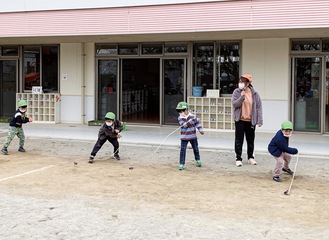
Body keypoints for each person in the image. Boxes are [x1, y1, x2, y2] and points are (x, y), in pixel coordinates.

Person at [232, 74, 263, 167]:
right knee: (239, 140)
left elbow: (258, 107)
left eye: (243, 82)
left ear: (248, 83)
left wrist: (260, 120)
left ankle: (251, 157)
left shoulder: (255, 94)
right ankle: (238, 158)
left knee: (250, 140)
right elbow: (234, 104)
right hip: (240, 119)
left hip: (250, 120)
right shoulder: (236, 92)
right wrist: (241, 97)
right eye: (240, 81)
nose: (240, 83)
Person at [176, 101, 204, 170]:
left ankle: (198, 160)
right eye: (179, 111)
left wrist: (200, 130)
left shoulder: (192, 116)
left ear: (186, 110)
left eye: (182, 111)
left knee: (196, 148)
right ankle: (181, 163)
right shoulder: (180, 118)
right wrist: (191, 121)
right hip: (184, 137)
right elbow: (184, 126)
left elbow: (197, 123)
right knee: (182, 150)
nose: (181, 112)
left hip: (193, 136)